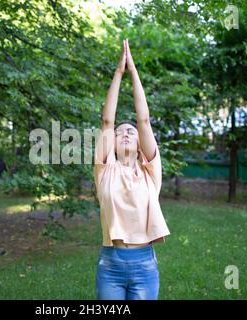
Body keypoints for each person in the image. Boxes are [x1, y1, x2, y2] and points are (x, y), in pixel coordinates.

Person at [93, 39, 170, 300]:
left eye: (131, 131)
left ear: (140, 143)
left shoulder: (150, 172)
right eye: (120, 132)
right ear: (112, 142)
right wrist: (118, 72)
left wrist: (133, 71)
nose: (125, 133)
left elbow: (144, 120)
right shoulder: (105, 170)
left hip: (144, 266)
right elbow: (106, 120)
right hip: (110, 265)